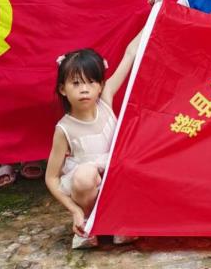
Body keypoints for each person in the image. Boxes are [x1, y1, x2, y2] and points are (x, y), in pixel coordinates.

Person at [46, 39, 144, 250]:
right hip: (87, 187)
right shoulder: (64, 129)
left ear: (101, 86)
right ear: (63, 89)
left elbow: (130, 53)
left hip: (115, 179)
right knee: (84, 176)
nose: (84, 90)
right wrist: (75, 210)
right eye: (76, 83)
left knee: (133, 160)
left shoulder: (105, 102)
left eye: (91, 82)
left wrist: (152, 18)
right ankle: (89, 222)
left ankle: (119, 219)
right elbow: (51, 178)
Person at [0, 0, 52, 188]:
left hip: (40, 50)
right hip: (8, 51)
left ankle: (32, 154)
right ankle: (5, 160)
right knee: (7, 104)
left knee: (35, 101)